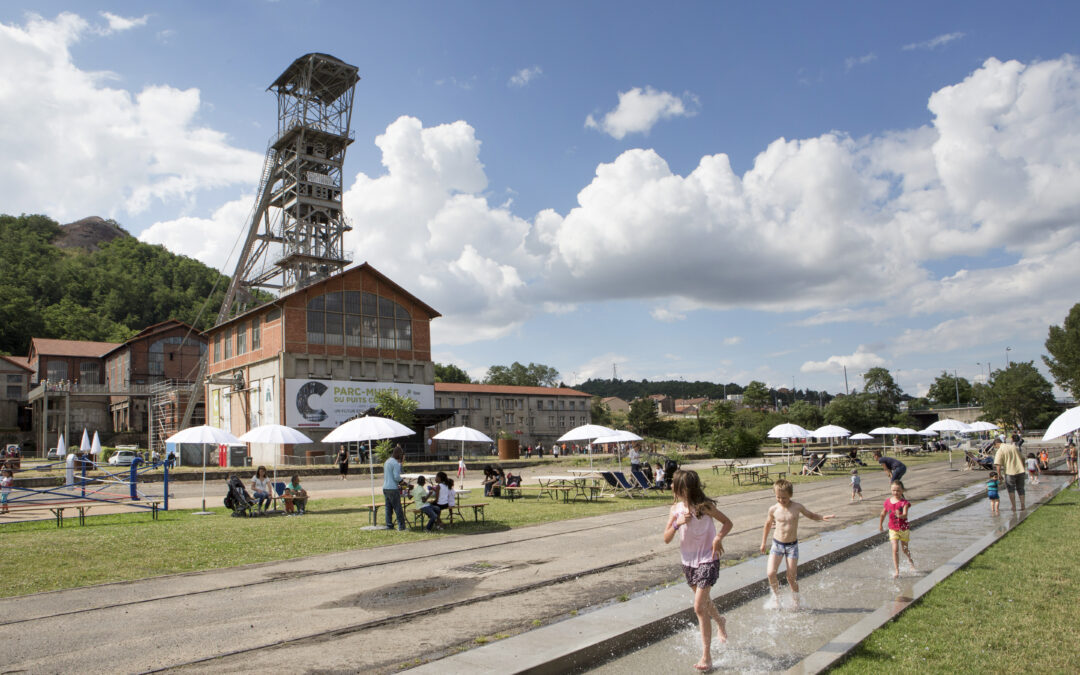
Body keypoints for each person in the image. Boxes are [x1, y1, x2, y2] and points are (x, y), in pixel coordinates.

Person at [663, 470, 733, 672]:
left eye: (673, 484)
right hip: (688, 562)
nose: (670, 487)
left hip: (708, 559)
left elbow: (728, 523)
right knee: (704, 604)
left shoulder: (705, 507)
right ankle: (720, 621)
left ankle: (706, 657)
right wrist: (677, 523)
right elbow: (666, 538)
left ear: (684, 489)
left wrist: (718, 538)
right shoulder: (675, 509)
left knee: (699, 608)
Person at [760, 479, 834, 609]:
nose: (781, 500)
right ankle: (776, 598)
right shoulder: (773, 509)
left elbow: (810, 515)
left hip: (792, 547)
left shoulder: (797, 507)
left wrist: (821, 517)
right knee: (771, 573)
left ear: (790, 495)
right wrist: (763, 543)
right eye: (778, 497)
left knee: (791, 577)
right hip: (777, 544)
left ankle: (796, 600)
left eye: (784, 498)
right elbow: (767, 525)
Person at [879, 480, 915, 578]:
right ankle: (897, 570)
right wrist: (880, 524)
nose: (896, 493)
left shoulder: (904, 503)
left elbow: (905, 515)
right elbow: (883, 514)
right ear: (891, 490)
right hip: (893, 529)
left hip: (903, 528)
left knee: (904, 549)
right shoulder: (887, 502)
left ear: (902, 491)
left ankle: (910, 561)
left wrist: (900, 516)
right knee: (895, 548)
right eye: (894, 490)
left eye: (898, 490)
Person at [993, 437, 1026, 512]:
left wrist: (999, 474)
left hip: (1009, 472)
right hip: (1020, 471)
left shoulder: (1000, 450)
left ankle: (1014, 506)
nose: (996, 447)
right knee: (1021, 489)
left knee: (1011, 490)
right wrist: (1023, 468)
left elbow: (998, 464)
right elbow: (1023, 458)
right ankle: (1023, 505)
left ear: (997, 444)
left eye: (995, 446)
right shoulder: (1013, 447)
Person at [382, 445, 406, 531]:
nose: (401, 456)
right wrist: (403, 483)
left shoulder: (387, 462)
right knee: (397, 508)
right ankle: (401, 526)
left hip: (385, 487)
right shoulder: (395, 463)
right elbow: (396, 477)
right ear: (397, 454)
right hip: (392, 488)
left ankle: (389, 525)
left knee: (388, 508)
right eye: (400, 454)